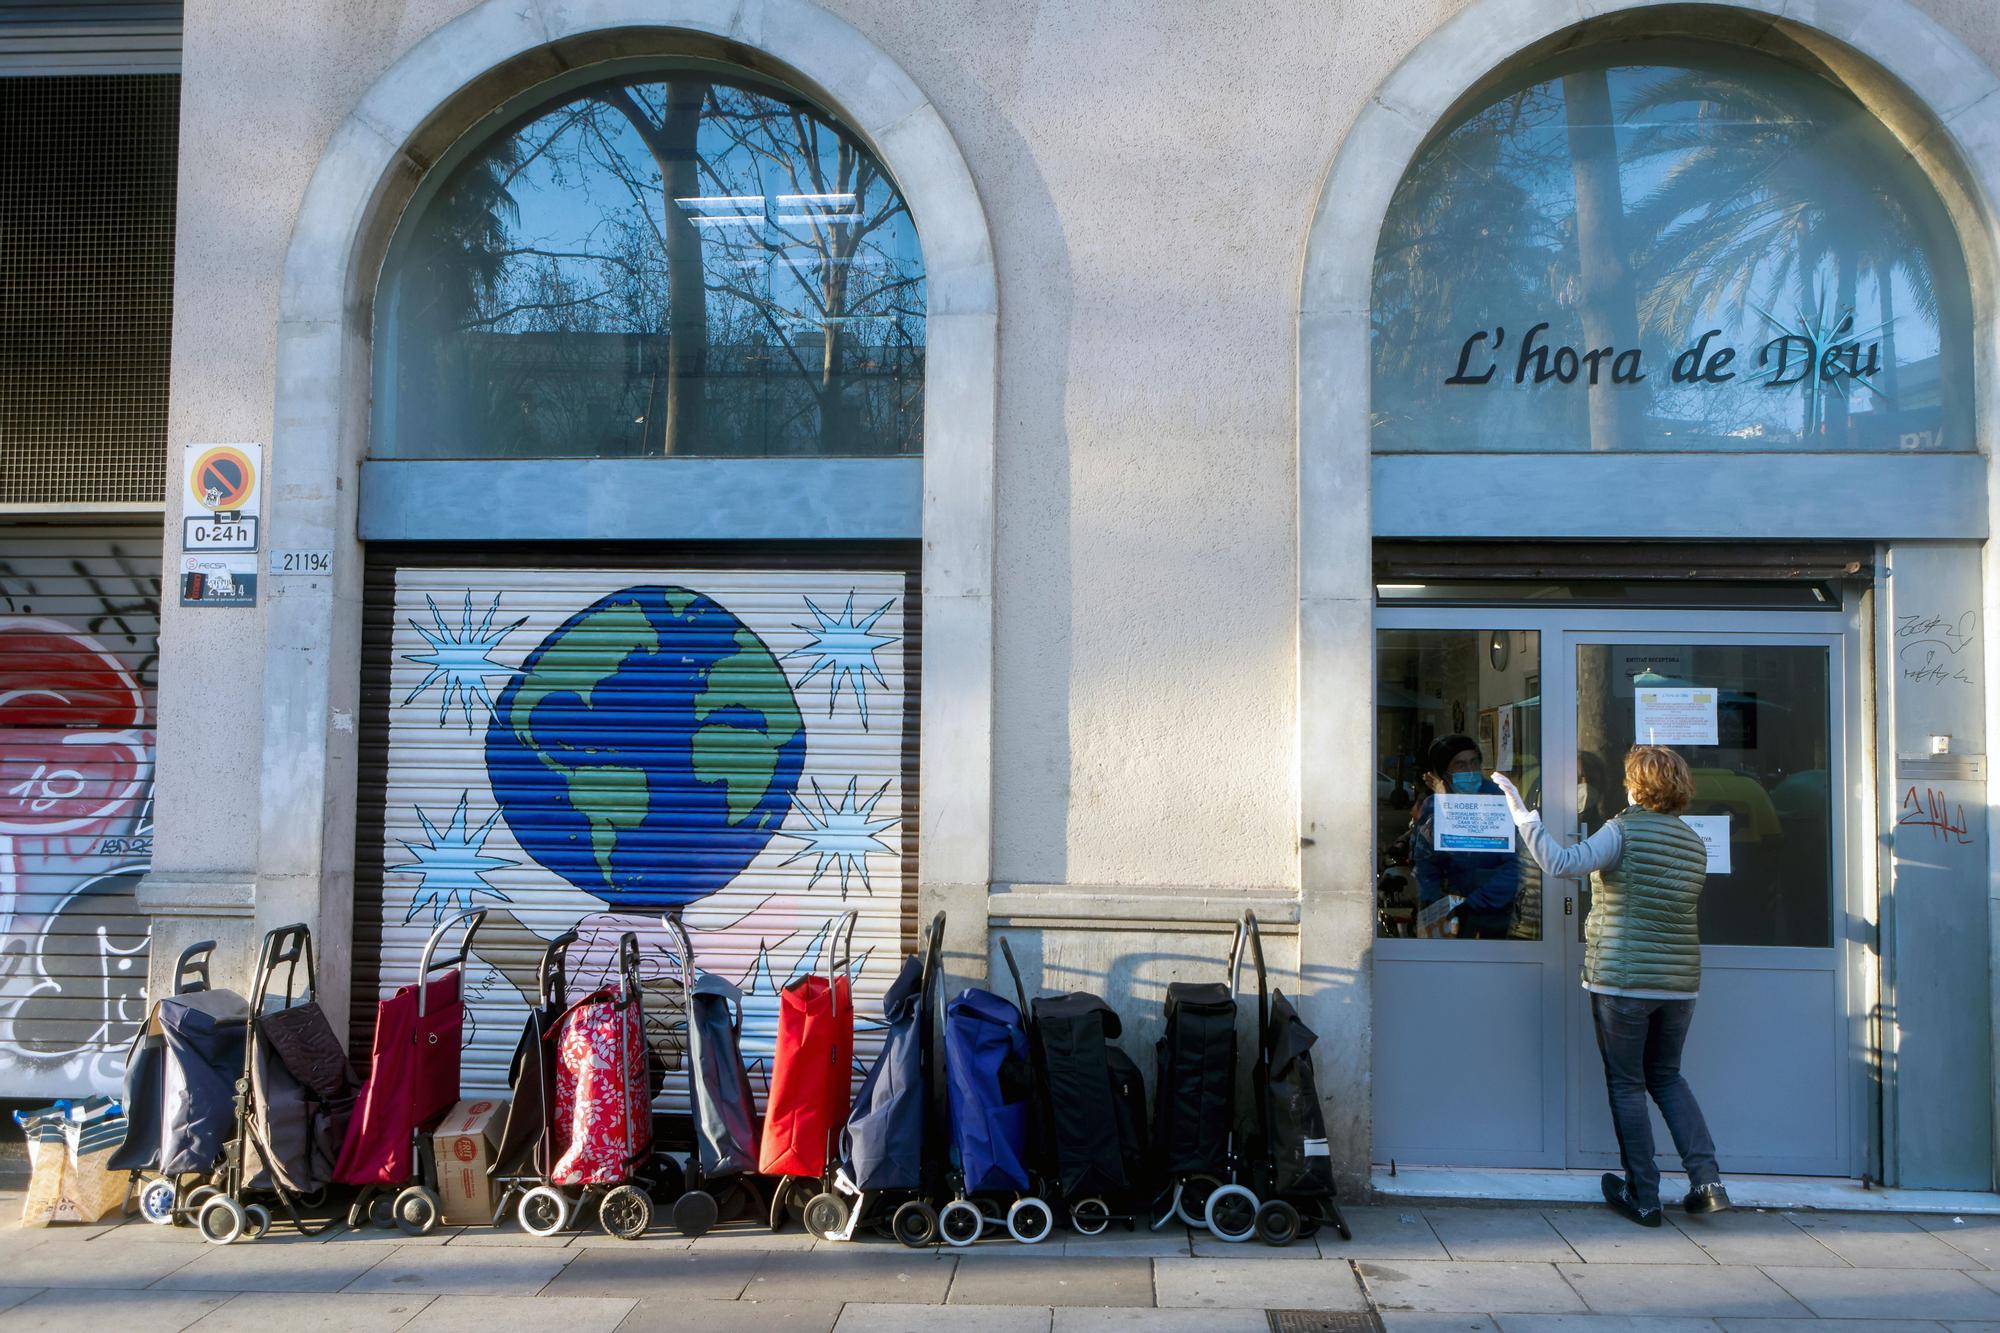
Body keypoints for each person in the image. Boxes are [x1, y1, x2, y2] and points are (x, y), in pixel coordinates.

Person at [1492, 746, 1731, 1227]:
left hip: (1623, 979)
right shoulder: (1693, 841)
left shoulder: (1623, 830)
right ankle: (1707, 1183)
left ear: (1636, 785)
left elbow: (1561, 863)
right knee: (1667, 1077)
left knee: (1627, 1084)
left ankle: (1643, 1194)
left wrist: (1522, 815)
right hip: (1680, 984)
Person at [1409, 734, 1521, 939]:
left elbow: (1515, 863)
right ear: (1445, 772)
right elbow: (1424, 860)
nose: (1470, 771)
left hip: (1493, 913)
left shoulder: (1497, 799)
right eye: (1460, 765)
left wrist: (1475, 902)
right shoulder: (1434, 804)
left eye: (1474, 762)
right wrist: (1434, 902)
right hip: (1449, 913)